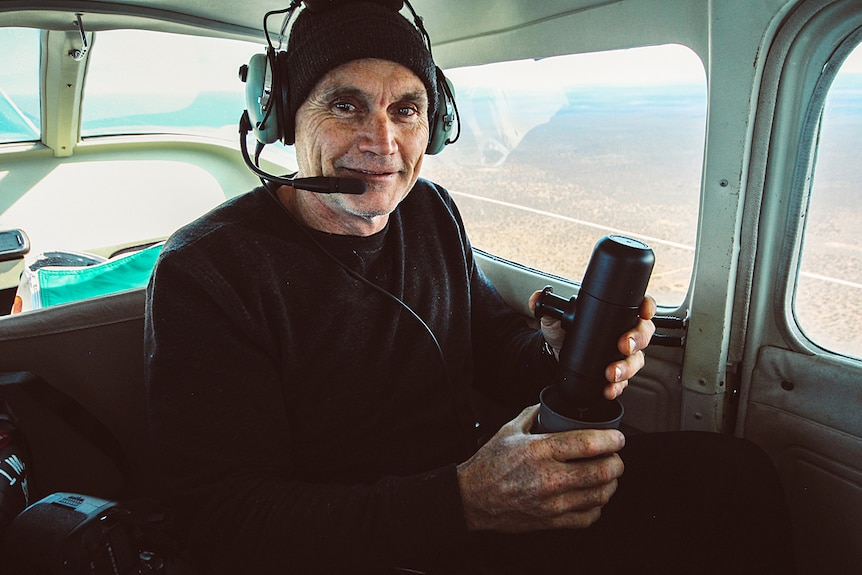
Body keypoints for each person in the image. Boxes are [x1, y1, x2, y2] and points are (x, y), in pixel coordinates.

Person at [144, 2, 794, 574]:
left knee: (735, 479)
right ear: (284, 116)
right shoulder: (207, 273)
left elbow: (488, 340)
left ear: (435, 124)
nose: (383, 140)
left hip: (483, 491)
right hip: (368, 543)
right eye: (346, 104)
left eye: (407, 108)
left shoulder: (429, 211)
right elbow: (226, 521)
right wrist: (464, 500)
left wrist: (560, 352)